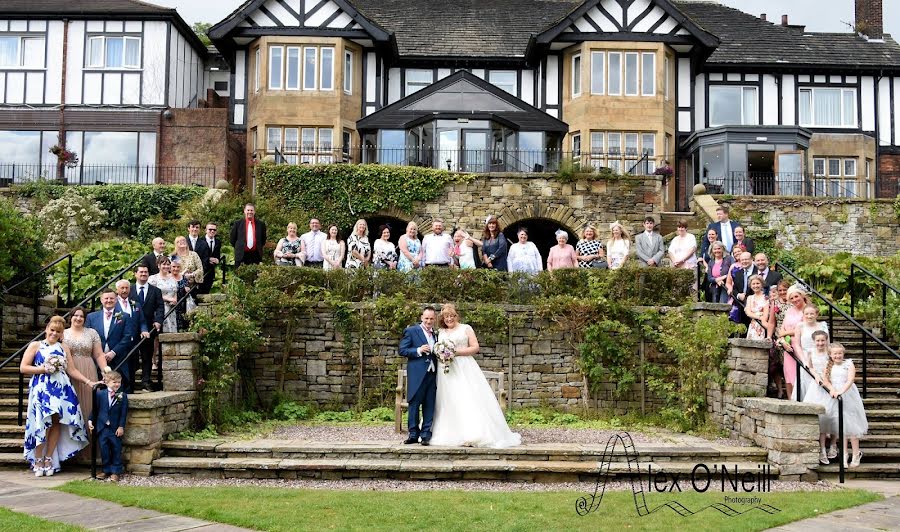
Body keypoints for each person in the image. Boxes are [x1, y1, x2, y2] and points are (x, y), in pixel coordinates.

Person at [430, 304, 521, 448]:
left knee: (467, 397)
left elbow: (475, 347)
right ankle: (448, 432)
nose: (449, 319)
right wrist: (442, 354)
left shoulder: (466, 328)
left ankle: (472, 433)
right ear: (443, 318)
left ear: (456, 316)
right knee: (447, 399)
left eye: (451, 316)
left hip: (464, 367)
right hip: (446, 370)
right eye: (446, 317)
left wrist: (456, 352)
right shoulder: (440, 331)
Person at [21, 316, 95, 476]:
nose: (54, 333)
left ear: (62, 333)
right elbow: (24, 368)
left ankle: (49, 458)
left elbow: (72, 370)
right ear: (47, 329)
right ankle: (38, 459)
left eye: (58, 331)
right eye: (52, 330)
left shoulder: (64, 347)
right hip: (41, 389)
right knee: (42, 423)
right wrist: (44, 368)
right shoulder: (35, 345)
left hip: (61, 389)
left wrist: (88, 381)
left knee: (56, 422)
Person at [398, 307, 439, 445]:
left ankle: (426, 435)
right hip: (417, 374)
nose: (428, 321)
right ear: (422, 317)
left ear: (435, 319)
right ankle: (413, 435)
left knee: (429, 405)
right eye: (426, 318)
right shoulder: (411, 331)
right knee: (414, 405)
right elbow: (402, 350)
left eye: (431, 318)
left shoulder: (436, 334)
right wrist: (418, 350)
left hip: (432, 374)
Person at [823, 342, 868, 468]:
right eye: (835, 353)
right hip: (835, 396)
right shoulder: (828, 365)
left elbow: (850, 380)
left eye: (840, 353)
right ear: (831, 355)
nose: (838, 356)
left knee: (851, 426)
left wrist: (841, 391)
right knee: (841, 426)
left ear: (843, 353)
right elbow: (825, 380)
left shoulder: (848, 364)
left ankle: (856, 454)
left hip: (848, 395)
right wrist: (832, 390)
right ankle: (844, 455)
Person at [62, 307, 106, 430]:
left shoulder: (92, 333)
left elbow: (99, 354)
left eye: (82, 316)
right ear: (71, 317)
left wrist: (105, 371)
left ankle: (89, 445)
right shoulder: (63, 333)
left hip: (88, 369)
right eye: (76, 315)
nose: (78, 318)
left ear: (85, 319)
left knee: (89, 404)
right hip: (68, 372)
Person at [86, 290, 135, 391]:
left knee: (119, 390)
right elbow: (87, 337)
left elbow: (127, 337)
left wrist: (113, 352)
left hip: (118, 359)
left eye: (111, 298)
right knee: (98, 392)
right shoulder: (91, 317)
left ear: (116, 300)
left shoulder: (125, 316)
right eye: (106, 298)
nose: (109, 300)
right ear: (101, 300)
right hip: (97, 361)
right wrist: (99, 354)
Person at [801, 330, 836, 464]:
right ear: (814, 341)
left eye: (823, 340)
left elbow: (835, 364)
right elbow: (810, 366)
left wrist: (828, 379)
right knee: (821, 417)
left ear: (826, 340)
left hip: (831, 383)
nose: (820, 343)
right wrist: (816, 376)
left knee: (834, 415)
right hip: (817, 385)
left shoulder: (830, 351)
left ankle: (833, 445)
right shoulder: (810, 352)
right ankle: (821, 450)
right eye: (818, 341)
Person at [89, 370, 128, 481]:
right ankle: (106, 470)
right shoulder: (100, 394)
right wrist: (90, 420)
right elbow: (95, 410)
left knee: (116, 449)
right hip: (102, 427)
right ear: (106, 382)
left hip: (115, 428)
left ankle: (115, 471)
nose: (117, 384)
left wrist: (121, 426)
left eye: (119, 382)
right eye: (114, 382)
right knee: (104, 449)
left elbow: (123, 413)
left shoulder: (122, 396)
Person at [130, 265, 163, 392]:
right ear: (135, 274)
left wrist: (158, 321)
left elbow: (160, 307)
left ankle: (146, 381)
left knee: (147, 356)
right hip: (132, 328)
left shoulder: (156, 291)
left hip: (149, 328)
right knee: (132, 356)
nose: (143, 274)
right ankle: (131, 382)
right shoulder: (130, 290)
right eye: (141, 272)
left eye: (146, 272)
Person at [776, 284, 810, 402]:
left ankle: (802, 399)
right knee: (789, 373)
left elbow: (804, 328)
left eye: (796, 296)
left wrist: (784, 334)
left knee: (800, 373)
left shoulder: (808, 310)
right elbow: (782, 329)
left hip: (801, 345)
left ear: (802, 295)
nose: (795, 300)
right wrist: (783, 341)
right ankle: (791, 399)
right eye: (791, 298)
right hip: (788, 345)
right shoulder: (790, 311)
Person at [793, 304, 829, 402]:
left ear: (816, 314)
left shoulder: (823, 325)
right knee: (807, 383)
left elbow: (827, 344)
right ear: (803, 314)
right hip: (805, 357)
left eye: (812, 314)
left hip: (820, 357)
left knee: (821, 382)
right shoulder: (800, 326)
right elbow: (797, 345)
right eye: (807, 314)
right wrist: (803, 359)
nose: (809, 316)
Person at [767, 280, 792, 399]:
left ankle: (792, 392)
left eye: (784, 290)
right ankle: (780, 390)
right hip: (778, 335)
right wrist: (768, 336)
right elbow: (772, 322)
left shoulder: (794, 301)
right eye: (780, 290)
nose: (782, 292)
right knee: (776, 365)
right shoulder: (775, 303)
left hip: (791, 335)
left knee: (789, 366)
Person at [230, 203, 267, 268]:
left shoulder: (261, 224)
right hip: (241, 254)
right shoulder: (237, 224)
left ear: (254, 212)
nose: (250, 212)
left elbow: (263, 239)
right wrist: (240, 247)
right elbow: (232, 239)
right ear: (244, 211)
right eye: (248, 210)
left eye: (251, 210)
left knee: (254, 276)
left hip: (255, 255)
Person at [148, 257, 179, 333]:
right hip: (159, 308)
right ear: (158, 265)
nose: (166, 266)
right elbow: (152, 295)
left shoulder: (173, 279)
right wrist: (167, 299)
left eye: (168, 264)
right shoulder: (153, 279)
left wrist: (174, 300)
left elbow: (175, 292)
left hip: (171, 309)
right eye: (164, 264)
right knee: (158, 333)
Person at [726, 251, 754, 325]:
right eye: (742, 260)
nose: (744, 261)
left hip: (754, 304)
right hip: (741, 304)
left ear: (751, 259)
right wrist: (738, 295)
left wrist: (747, 297)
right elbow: (734, 288)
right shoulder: (738, 273)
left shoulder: (757, 272)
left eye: (746, 259)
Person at [194, 222, 221, 295]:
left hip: (211, 271)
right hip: (201, 269)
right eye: (210, 229)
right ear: (206, 230)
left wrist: (217, 260)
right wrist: (208, 259)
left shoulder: (218, 242)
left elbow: (217, 255)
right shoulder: (200, 241)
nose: (212, 231)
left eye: (214, 230)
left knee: (207, 290)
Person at [171, 258, 195, 331]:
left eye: (178, 267)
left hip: (183, 305)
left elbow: (188, 287)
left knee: (184, 324)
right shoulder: (168, 278)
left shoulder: (183, 278)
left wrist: (187, 289)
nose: (176, 269)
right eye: (174, 267)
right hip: (172, 305)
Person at [744, 275, 768, 340]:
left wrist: (762, 318)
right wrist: (760, 317)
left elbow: (766, 315)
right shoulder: (750, 298)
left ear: (762, 284)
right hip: (753, 325)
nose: (755, 286)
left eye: (757, 283)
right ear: (751, 286)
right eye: (753, 284)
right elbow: (748, 313)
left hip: (762, 324)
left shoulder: (766, 297)